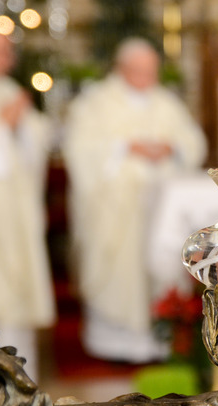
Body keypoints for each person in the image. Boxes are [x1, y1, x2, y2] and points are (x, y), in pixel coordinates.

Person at [63, 38, 206, 362]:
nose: (147, 77)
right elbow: (81, 149)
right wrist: (125, 148)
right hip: (116, 207)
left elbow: (192, 140)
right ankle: (113, 341)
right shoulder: (96, 102)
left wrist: (172, 148)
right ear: (122, 68)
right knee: (119, 272)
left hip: (160, 205)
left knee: (159, 265)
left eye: (151, 71)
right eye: (139, 71)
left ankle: (160, 340)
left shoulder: (166, 102)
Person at [0, 22, 54, 381]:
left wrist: (23, 127)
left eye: (6, 50)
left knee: (17, 281)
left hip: (16, 206)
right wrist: (0, 127)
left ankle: (22, 375)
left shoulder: (8, 87)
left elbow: (37, 139)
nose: (6, 58)